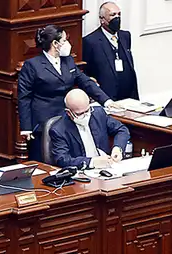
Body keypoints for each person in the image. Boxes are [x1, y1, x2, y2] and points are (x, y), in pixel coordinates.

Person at [18, 24, 113, 163]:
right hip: (43, 121)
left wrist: (106, 101)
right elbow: (24, 97)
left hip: (68, 118)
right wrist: (26, 127)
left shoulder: (68, 61)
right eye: (64, 40)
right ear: (55, 44)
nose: (67, 43)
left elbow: (84, 81)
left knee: (66, 158)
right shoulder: (32, 65)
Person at [49, 89, 130, 170]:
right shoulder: (59, 130)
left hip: (108, 167)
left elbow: (121, 129)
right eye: (80, 113)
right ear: (69, 112)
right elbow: (62, 160)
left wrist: (117, 148)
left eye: (87, 110)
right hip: (82, 171)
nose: (86, 115)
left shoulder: (98, 113)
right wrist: (92, 162)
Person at [83, 2, 139, 102]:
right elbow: (86, 70)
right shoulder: (91, 41)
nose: (117, 18)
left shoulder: (125, 36)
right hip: (108, 96)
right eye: (113, 15)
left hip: (129, 96)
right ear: (102, 19)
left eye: (119, 14)